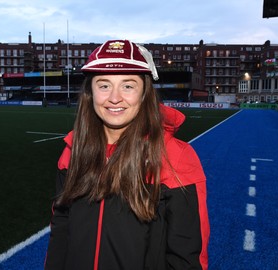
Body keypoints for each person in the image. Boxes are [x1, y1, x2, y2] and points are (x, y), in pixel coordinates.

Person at [44, 39, 209, 270]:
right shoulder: (72, 151)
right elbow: (61, 230)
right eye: (104, 85)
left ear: (144, 93)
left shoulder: (176, 157)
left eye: (128, 86)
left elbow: (187, 255)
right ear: (90, 92)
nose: (114, 97)